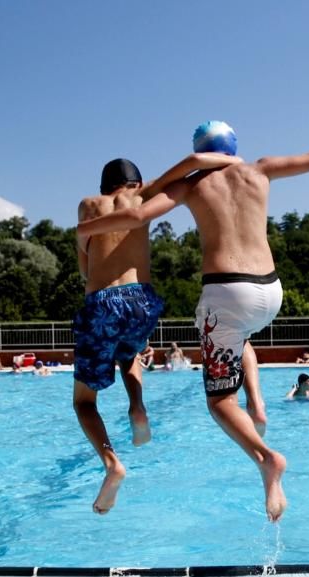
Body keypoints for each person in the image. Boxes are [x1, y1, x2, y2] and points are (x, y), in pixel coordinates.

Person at [78, 102, 309, 522]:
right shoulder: (260, 169)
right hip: (271, 292)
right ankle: (257, 403)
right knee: (239, 336)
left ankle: (265, 458)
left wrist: (83, 232)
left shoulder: (191, 185)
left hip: (226, 292)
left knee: (219, 399)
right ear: (233, 147)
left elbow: (134, 216)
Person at [74, 152, 240, 515]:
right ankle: (137, 406)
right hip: (141, 301)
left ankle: (111, 464)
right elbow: (194, 160)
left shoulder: (88, 205)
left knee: (84, 401)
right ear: (135, 182)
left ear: (104, 186)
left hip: (101, 301)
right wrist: (230, 158)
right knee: (129, 353)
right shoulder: (144, 196)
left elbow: (84, 266)